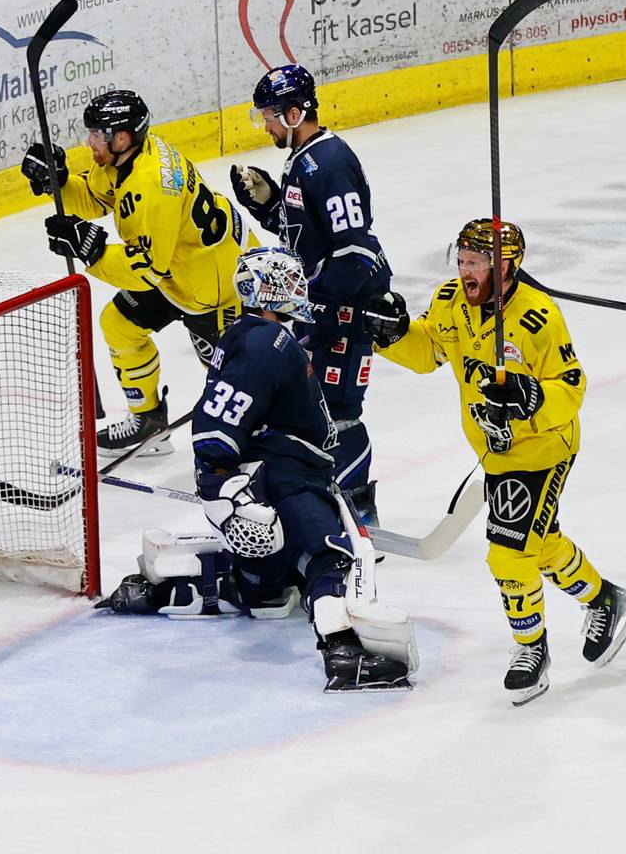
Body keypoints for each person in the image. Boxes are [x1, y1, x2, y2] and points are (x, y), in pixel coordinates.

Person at [95, 245, 414, 693]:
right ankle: (343, 654)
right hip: (287, 474)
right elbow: (216, 424)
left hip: (274, 471)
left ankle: (157, 591)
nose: (300, 288)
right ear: (270, 290)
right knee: (331, 558)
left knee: (268, 586)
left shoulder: (255, 334)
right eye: (291, 281)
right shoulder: (268, 343)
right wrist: (219, 485)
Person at [360, 220, 626, 705]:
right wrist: (392, 336)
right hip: (494, 450)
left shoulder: (537, 316)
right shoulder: (450, 300)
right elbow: (429, 351)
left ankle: (531, 648)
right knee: (539, 542)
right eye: (461, 261)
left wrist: (531, 395)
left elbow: (571, 386)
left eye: (476, 262)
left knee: (508, 552)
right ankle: (605, 600)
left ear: (506, 266)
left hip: (542, 447)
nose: (464, 271)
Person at [22, 89, 253, 454]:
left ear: (122, 138)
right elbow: (98, 197)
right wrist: (61, 181)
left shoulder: (152, 184)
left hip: (217, 286)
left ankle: (269, 442)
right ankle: (148, 423)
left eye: (96, 134)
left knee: (237, 383)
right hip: (180, 270)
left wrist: (92, 250)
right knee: (120, 324)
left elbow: (145, 271)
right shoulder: (130, 157)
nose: (89, 142)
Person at [227, 65, 392, 524]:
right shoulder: (303, 158)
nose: (267, 126)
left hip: (350, 310)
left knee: (339, 413)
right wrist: (267, 203)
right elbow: (307, 236)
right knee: (306, 408)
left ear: (295, 113)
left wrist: (316, 307)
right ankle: (320, 501)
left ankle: (359, 511)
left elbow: (355, 251)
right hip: (325, 307)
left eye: (271, 117)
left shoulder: (330, 163)